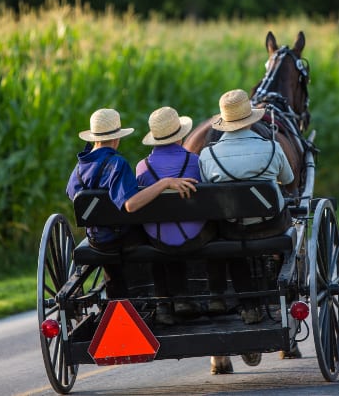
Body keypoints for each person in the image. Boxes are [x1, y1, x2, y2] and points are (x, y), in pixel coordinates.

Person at [66, 108, 198, 299]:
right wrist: (164, 183)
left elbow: (72, 194)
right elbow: (130, 205)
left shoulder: (79, 168)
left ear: (94, 138)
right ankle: (164, 297)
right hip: (121, 238)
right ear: (116, 138)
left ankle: (124, 298)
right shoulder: (117, 164)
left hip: (96, 239)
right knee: (152, 234)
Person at [199, 89, 294, 325]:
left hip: (234, 228)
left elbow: (205, 190)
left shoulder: (208, 155)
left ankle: (250, 307)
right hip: (272, 225)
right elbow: (288, 180)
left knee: (231, 240)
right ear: (251, 118)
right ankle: (279, 282)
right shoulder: (272, 147)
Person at [135, 106, 215, 325]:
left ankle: (165, 303)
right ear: (180, 136)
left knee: (158, 233)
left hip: (158, 238)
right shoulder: (195, 161)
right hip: (194, 236)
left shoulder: (142, 168)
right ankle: (213, 294)